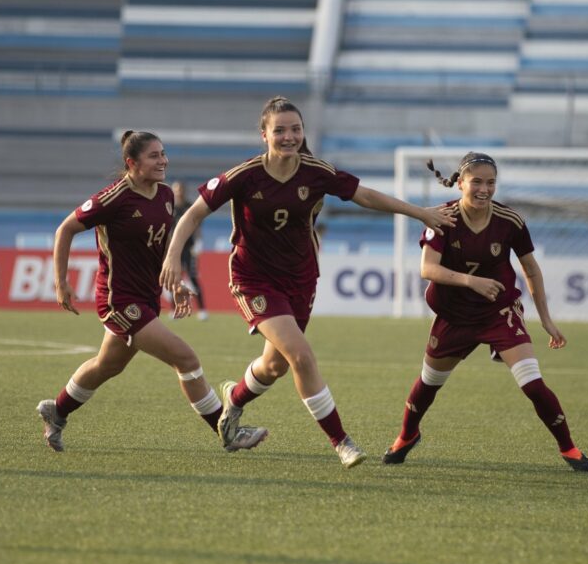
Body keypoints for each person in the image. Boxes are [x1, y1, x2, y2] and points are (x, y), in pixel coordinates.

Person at [159, 96, 456, 468]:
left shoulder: (316, 171)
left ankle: (233, 400)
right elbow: (194, 213)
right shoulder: (244, 174)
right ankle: (341, 441)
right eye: (280, 130)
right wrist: (172, 257)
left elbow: (364, 195)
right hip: (253, 279)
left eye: (295, 129)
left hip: (300, 279)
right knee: (300, 355)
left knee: (275, 366)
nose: (289, 136)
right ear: (264, 134)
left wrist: (419, 213)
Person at [36, 131, 268, 453]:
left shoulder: (165, 196)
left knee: (108, 365)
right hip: (120, 301)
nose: (163, 161)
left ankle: (56, 411)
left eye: (163, 154)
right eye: (154, 156)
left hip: (147, 297)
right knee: (185, 359)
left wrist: (175, 283)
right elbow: (66, 229)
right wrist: (61, 282)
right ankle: (227, 431)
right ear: (132, 163)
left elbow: (157, 250)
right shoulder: (112, 198)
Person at [381, 152, 588, 472]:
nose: (484, 189)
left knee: (533, 383)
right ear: (460, 184)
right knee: (429, 384)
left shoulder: (510, 221)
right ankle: (407, 435)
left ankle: (570, 448)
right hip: (454, 316)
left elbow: (531, 271)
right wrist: (471, 282)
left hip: (500, 312)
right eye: (477, 182)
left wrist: (547, 321)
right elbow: (428, 269)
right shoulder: (442, 218)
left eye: (491, 182)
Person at [171, 181, 208, 321]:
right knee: (174, 280)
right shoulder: (170, 208)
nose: (178, 192)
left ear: (184, 191)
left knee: (193, 278)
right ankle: (175, 309)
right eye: (176, 189)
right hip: (175, 249)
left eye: (180, 189)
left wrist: (198, 242)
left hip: (189, 248)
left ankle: (202, 310)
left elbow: (197, 226)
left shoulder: (189, 207)